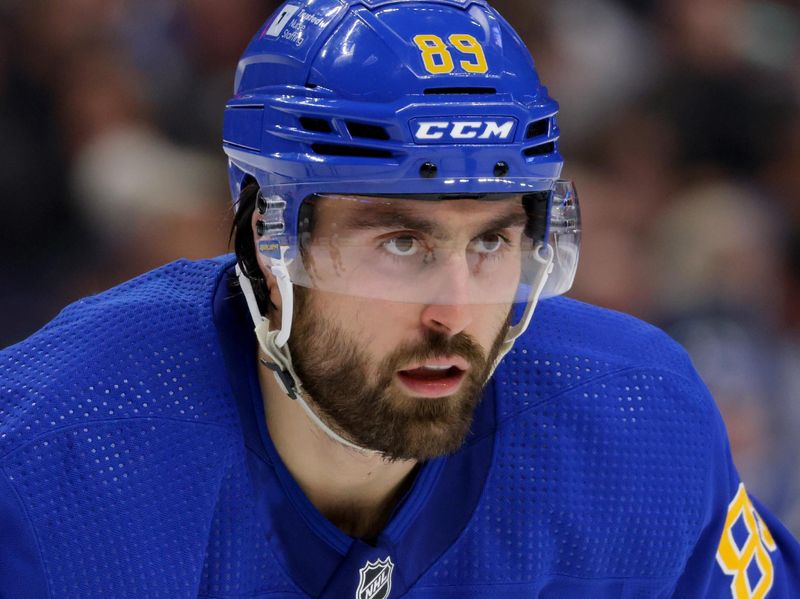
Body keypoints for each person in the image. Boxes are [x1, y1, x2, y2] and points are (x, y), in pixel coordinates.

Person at [1, 0, 798, 597]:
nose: (455, 311)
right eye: (400, 244)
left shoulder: (636, 422)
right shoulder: (54, 455)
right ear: (263, 242)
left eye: (491, 241)